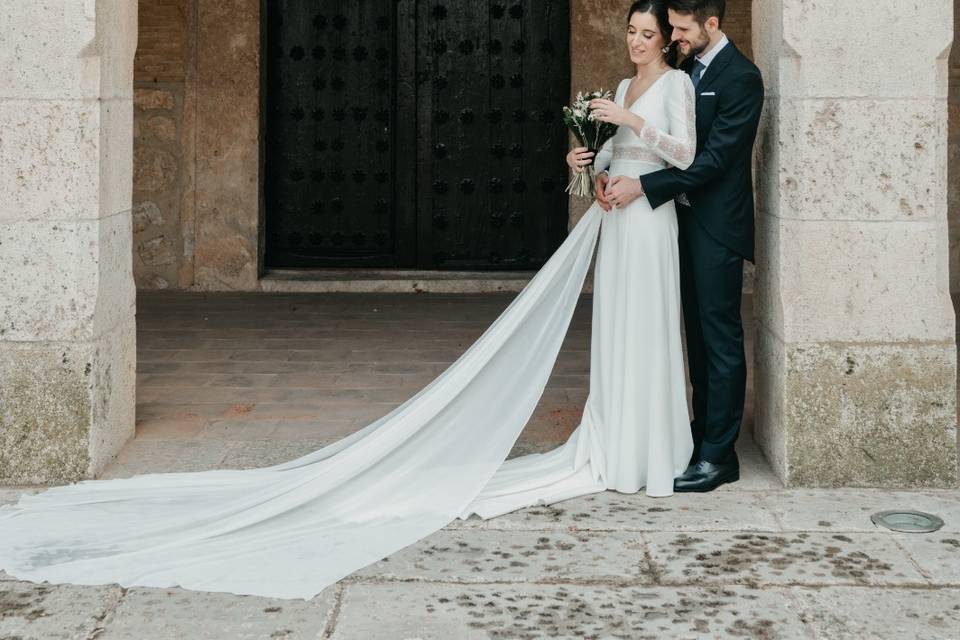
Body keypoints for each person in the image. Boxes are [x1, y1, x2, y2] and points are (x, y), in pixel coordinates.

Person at [0, 1, 698, 600]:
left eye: (646, 32)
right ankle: (616, 442)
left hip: (650, 225)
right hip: (616, 217)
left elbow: (684, 153)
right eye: (630, 31)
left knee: (649, 328)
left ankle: (653, 447)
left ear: (667, 38)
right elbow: (611, 157)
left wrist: (631, 133)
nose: (635, 42)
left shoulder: (671, 88)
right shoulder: (617, 85)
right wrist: (589, 163)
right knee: (617, 331)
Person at [593, 0, 764, 493]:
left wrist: (646, 188)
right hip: (678, 220)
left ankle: (719, 456)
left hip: (716, 226)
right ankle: (697, 433)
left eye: (682, 29)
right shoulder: (684, 68)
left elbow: (713, 158)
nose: (675, 37)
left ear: (711, 23)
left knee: (720, 338)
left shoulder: (741, 77)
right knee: (690, 335)